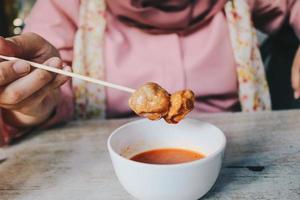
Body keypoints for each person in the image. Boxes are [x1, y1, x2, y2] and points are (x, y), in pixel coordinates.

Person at [0, 0, 300, 146]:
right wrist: (29, 106)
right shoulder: (66, 4)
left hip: (234, 150)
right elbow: (51, 87)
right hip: (104, 162)